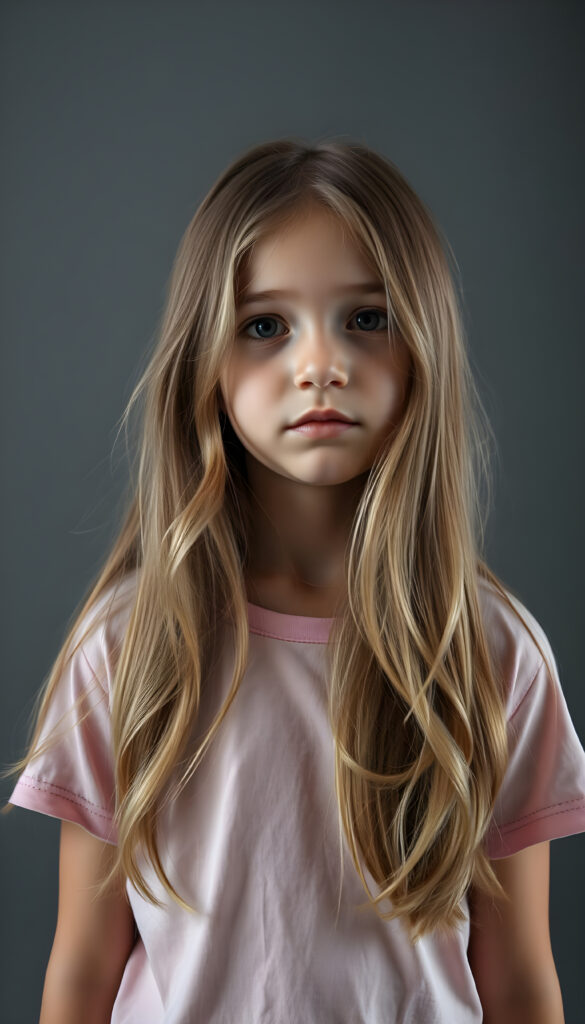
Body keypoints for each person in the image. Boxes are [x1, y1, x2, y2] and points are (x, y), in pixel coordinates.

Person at [5, 137, 585, 1024]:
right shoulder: (129, 646)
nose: (320, 364)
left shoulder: (491, 651)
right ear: (205, 357)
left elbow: (517, 977)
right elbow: (81, 970)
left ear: (423, 339)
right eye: (265, 326)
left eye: (365, 318)